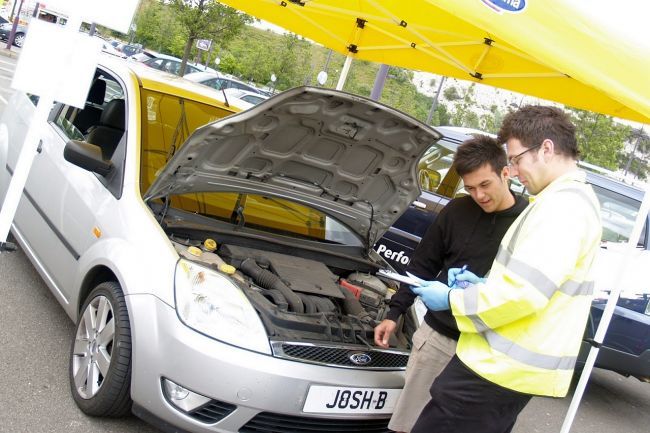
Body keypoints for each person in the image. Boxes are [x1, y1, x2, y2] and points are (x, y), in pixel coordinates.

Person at [410, 105, 602, 433]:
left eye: (515, 159)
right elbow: (533, 283)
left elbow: (523, 294)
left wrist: (453, 300)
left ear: (546, 148)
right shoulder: (564, 202)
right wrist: (483, 283)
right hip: (502, 373)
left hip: (497, 371)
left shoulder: (563, 208)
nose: (512, 170)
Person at [374, 135, 528, 433]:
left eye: (485, 185)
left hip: (488, 351)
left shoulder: (528, 221)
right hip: (440, 339)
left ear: (505, 172)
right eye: (470, 188)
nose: (479, 195)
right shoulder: (457, 210)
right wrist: (395, 313)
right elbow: (422, 265)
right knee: (408, 425)